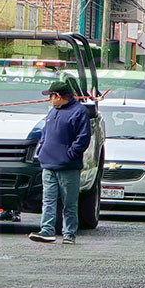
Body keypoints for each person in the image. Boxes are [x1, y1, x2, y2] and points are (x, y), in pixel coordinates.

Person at [28, 81, 91, 245]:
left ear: (58, 96)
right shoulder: (52, 112)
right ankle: (47, 230)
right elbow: (45, 134)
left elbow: (83, 138)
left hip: (67, 166)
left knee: (69, 202)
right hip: (48, 164)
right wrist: (42, 151)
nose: (49, 99)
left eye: (51, 96)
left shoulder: (78, 112)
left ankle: (69, 234)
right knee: (48, 200)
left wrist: (70, 155)